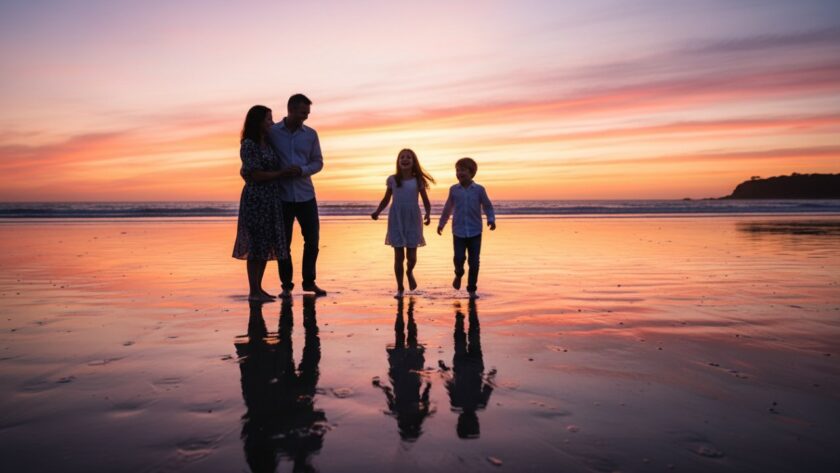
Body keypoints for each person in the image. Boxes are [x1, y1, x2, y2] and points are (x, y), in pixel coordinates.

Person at [268, 94, 327, 297]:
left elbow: (318, 162)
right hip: (281, 196)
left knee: (312, 241)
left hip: (306, 195)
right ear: (291, 109)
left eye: (308, 113)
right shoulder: (273, 132)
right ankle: (286, 286)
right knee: (283, 243)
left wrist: (301, 170)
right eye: (303, 113)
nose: (306, 117)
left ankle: (309, 282)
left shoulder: (311, 134)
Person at [232, 105, 292, 302]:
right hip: (256, 199)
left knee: (265, 244)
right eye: (268, 119)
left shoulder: (268, 143)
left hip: (271, 198)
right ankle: (253, 290)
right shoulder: (249, 144)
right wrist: (281, 174)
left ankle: (259, 288)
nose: (272, 123)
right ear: (258, 121)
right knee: (256, 244)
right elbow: (255, 174)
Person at [371, 149, 434, 298]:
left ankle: (409, 271)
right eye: (402, 157)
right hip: (397, 218)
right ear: (398, 162)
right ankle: (400, 287)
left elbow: (425, 200)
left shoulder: (418, 180)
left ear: (414, 162)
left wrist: (428, 214)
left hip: (413, 219)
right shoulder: (393, 180)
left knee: (411, 257)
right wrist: (377, 211)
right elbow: (386, 199)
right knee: (398, 257)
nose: (405, 159)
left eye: (408, 157)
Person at [437, 157, 496, 299]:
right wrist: (441, 223)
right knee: (459, 258)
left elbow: (487, 206)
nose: (459, 173)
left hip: (475, 231)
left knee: (474, 262)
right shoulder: (453, 190)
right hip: (458, 231)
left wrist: (491, 219)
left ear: (471, 172)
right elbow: (448, 208)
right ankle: (458, 273)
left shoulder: (479, 190)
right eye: (457, 170)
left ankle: (471, 289)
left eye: (462, 170)